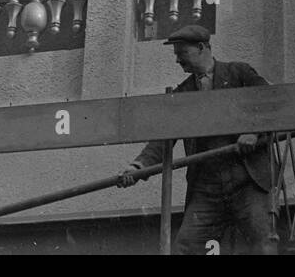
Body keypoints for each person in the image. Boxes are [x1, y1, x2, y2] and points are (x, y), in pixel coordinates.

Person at [117, 25, 277, 255]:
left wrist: (255, 131)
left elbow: (272, 102)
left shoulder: (238, 73)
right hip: (207, 187)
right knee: (185, 248)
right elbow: (164, 139)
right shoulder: (183, 94)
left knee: (264, 244)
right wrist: (138, 166)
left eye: (182, 54)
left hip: (246, 180)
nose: (178, 61)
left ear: (202, 48)